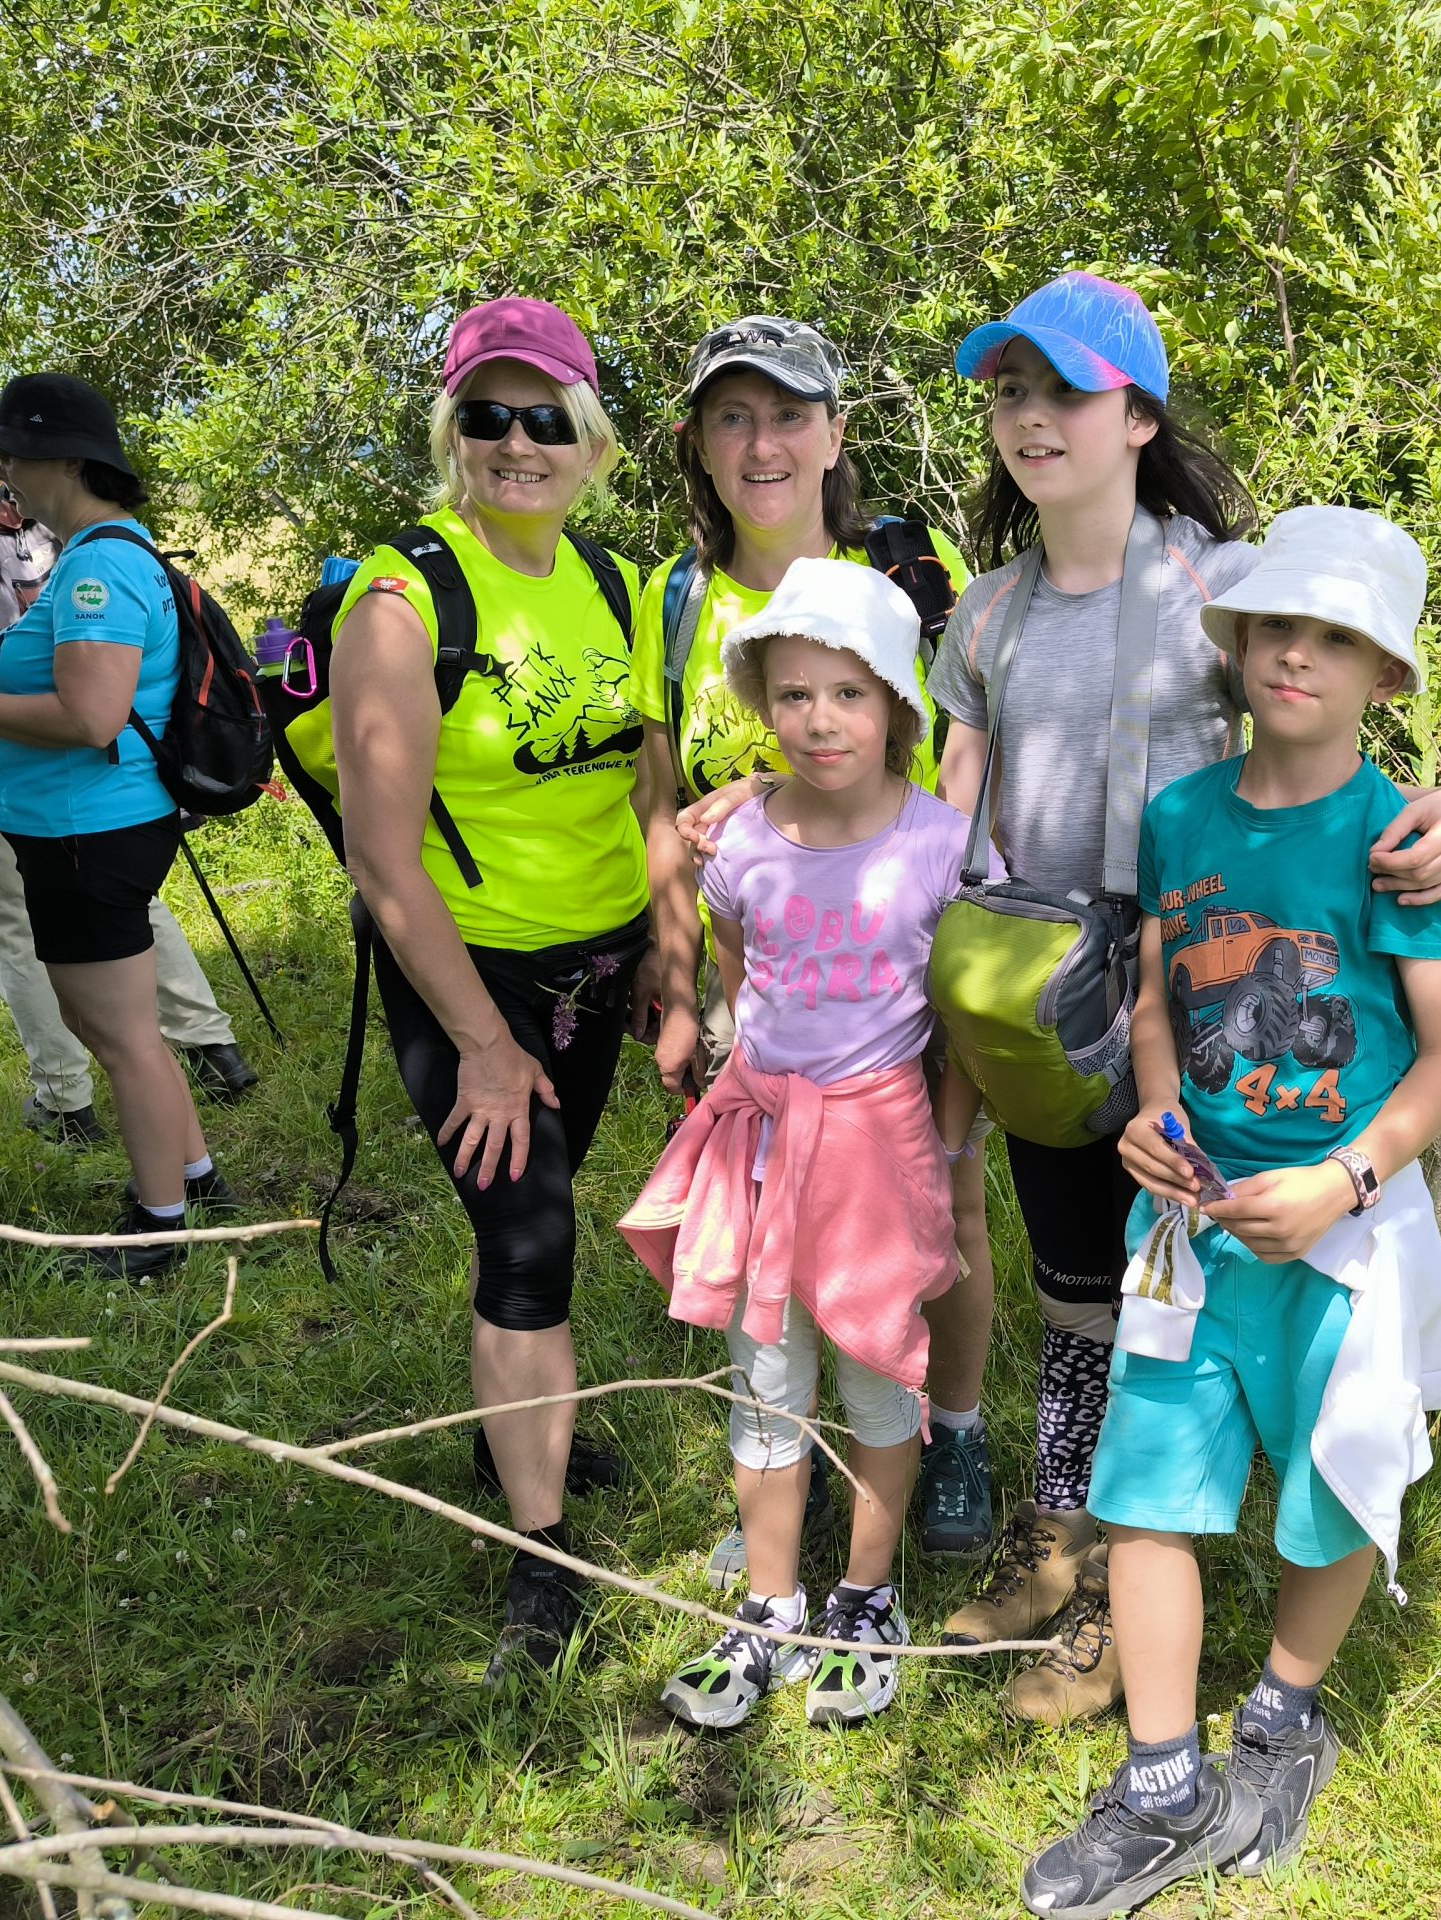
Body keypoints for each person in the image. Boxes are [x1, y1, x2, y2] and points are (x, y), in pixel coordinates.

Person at [923, 276, 1441, 1720]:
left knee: (1178, 1281)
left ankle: (1117, 1597)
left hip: (1212, 976)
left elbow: (1330, 715)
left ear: (1139, 418)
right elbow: (950, 821)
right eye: (1010, 392)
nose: (1032, 418)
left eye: (1068, 391)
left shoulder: (1215, 587)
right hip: (1051, 1003)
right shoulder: (983, 615)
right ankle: (1067, 1543)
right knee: (1080, 1281)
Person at [1021, 507, 1441, 1917]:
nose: (1296, 655)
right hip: (1190, 1227)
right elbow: (1162, 999)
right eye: (1278, 625)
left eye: (1336, 639)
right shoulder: (1181, 817)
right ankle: (1164, 1784)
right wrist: (1158, 1110)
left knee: (1333, 1479)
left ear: (1383, 675)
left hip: (1343, 1235)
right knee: (1143, 1487)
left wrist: (1347, 1179)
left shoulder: (1396, 838)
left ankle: (1283, 1714)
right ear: (1237, 640)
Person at [631, 314, 998, 1583]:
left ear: (834, 433)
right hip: (772, 977)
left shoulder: (909, 566)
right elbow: (662, 792)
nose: (762, 443)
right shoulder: (677, 597)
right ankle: (781, 1492)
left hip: (903, 959)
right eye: (732, 416)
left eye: (788, 414)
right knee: (767, 1246)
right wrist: (681, 986)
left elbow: (960, 737)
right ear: (699, 441)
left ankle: (949, 1433)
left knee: (943, 1208)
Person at [328, 298, 655, 1677]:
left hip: (600, 964)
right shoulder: (403, 600)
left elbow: (649, 794)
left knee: (541, 1207)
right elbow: (382, 858)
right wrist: (478, 1042)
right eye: (487, 415)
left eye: (546, 419)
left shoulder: (622, 589)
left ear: (592, 441)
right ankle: (541, 1553)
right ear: (450, 431)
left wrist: (665, 953)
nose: (518, 443)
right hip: (468, 972)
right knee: (530, 1239)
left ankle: (514, 1424)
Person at [623, 559, 988, 1729]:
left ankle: (866, 1598)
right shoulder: (740, 842)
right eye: (793, 695)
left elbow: (971, 1017)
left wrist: (936, 1139)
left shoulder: (944, 847)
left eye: (848, 694)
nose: (820, 721)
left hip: (879, 1153)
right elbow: (741, 964)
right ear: (761, 704)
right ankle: (769, 1606)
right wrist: (754, 1068)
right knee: (765, 1379)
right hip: (764, 1148)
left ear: (896, 706)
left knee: (878, 1376)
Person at [0, 374, 234, 1279]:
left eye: (13, 455)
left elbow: (91, 716)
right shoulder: (100, 553)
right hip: (84, 825)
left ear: (69, 462)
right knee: (117, 1025)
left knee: (119, 1037)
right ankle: (196, 1180)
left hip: (90, 829)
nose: (1, 473)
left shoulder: (97, 569)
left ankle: (157, 1230)